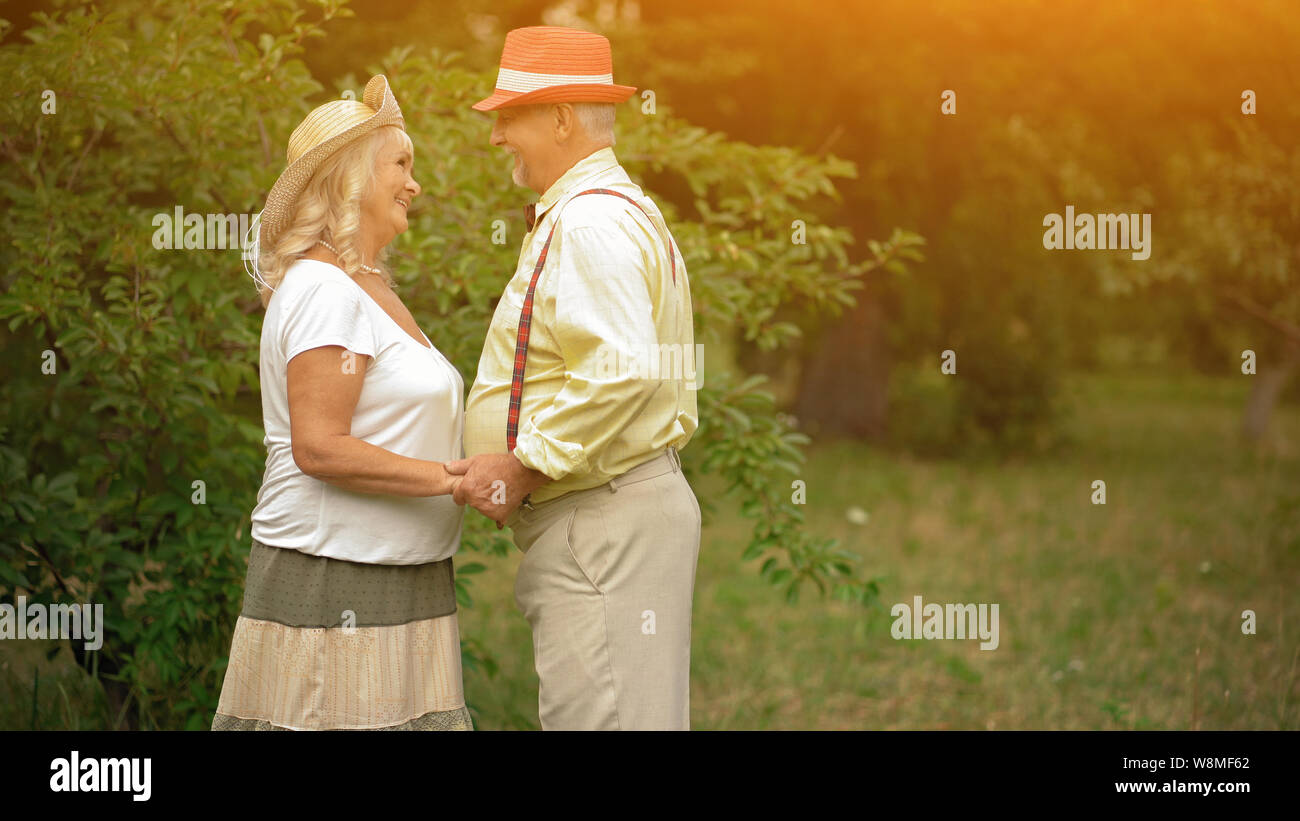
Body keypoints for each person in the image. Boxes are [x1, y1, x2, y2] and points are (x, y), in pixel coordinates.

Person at [449, 26, 702, 730]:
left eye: (510, 116)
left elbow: (621, 367)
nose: (498, 136)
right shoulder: (613, 211)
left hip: (601, 521)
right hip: (613, 515)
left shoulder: (589, 222)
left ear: (560, 119)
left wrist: (525, 464)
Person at [212, 75, 473, 731]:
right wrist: (451, 481)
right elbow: (319, 447)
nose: (415, 185)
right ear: (350, 176)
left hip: (400, 577)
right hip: (336, 579)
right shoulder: (324, 290)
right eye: (401, 165)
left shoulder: (367, 285)